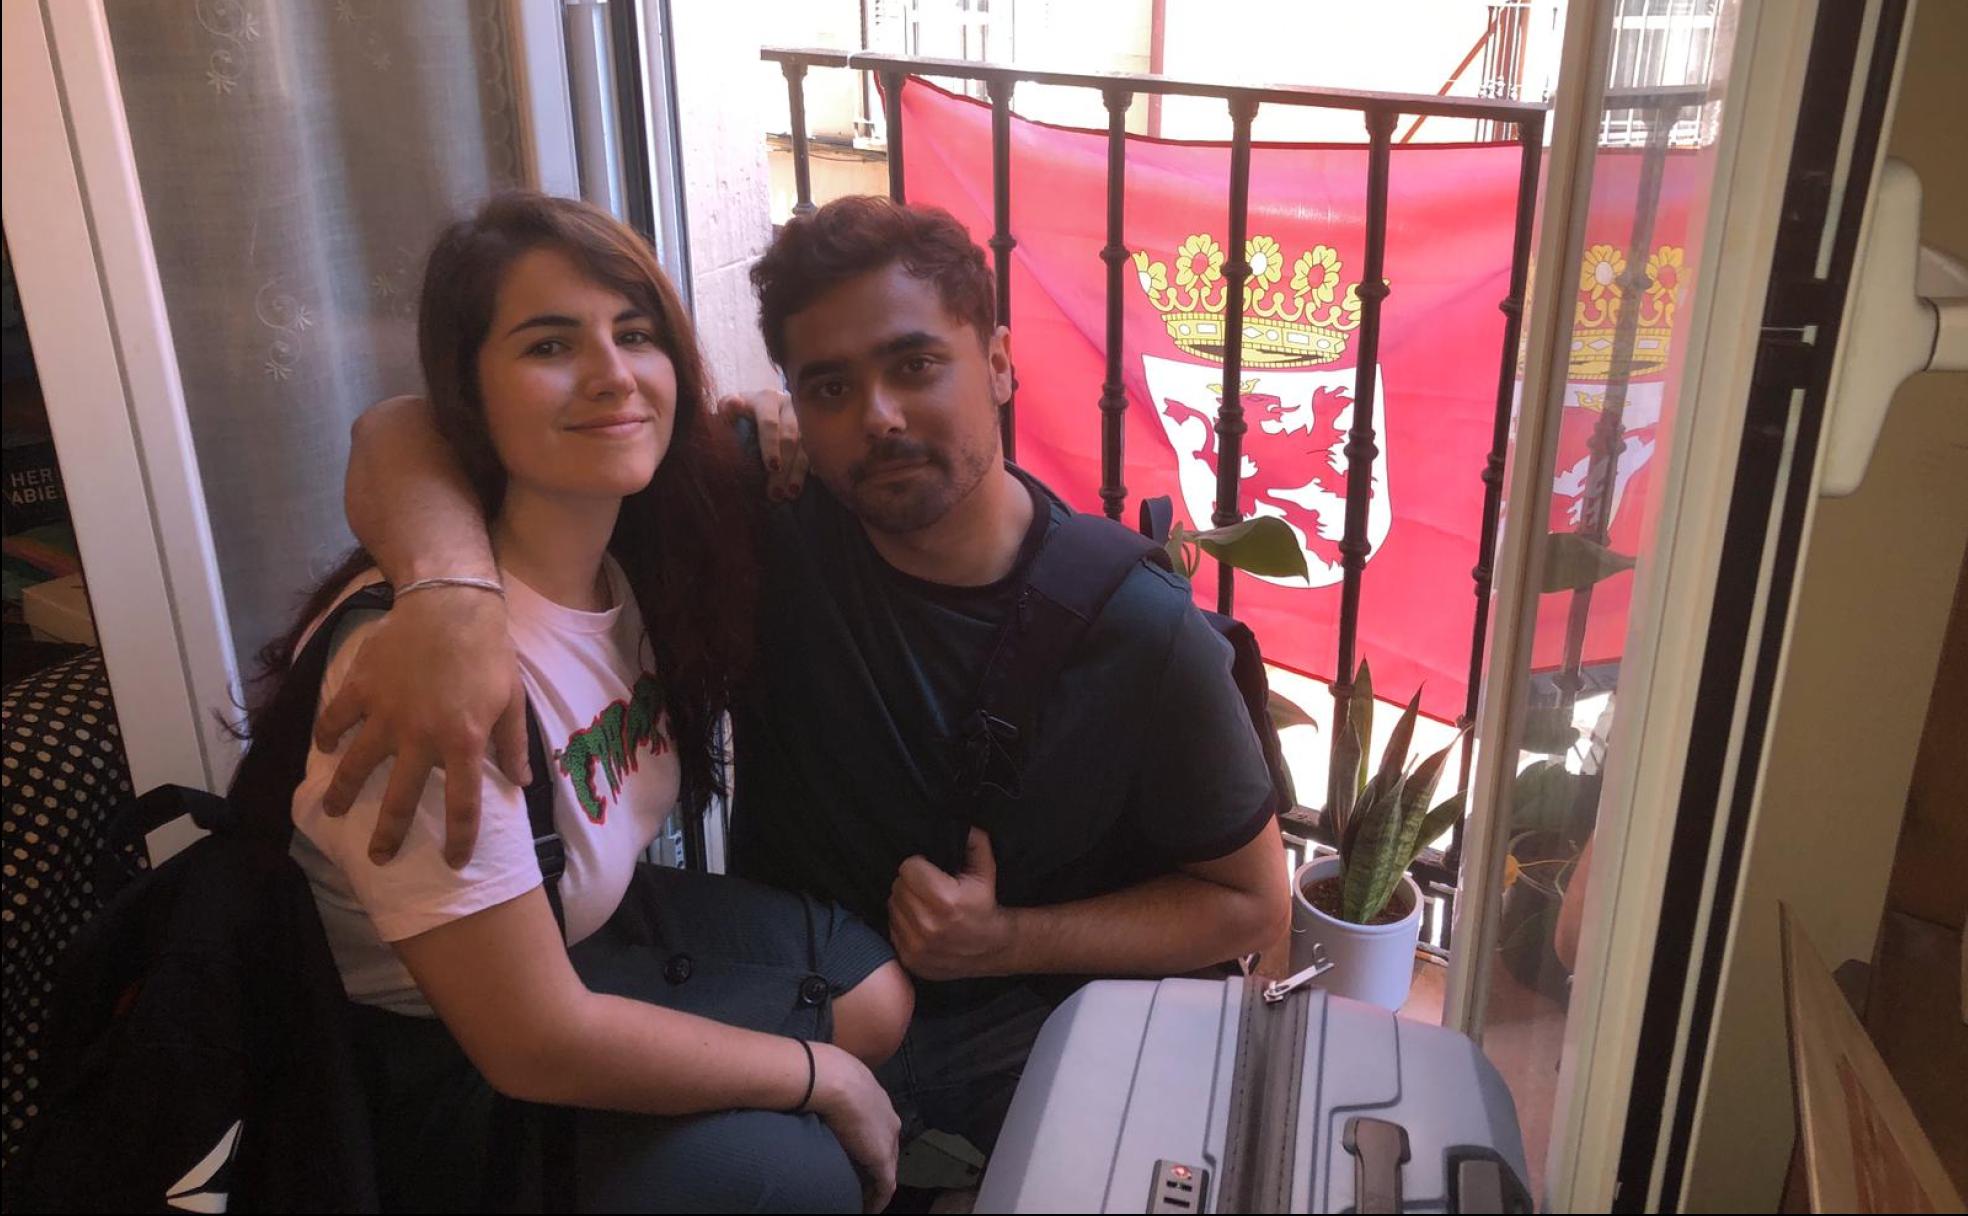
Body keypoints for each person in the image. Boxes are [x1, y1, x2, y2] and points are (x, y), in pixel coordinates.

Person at [327, 195, 1290, 1156]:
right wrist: (449, 594)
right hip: (791, 993)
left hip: (1016, 1036)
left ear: (997, 360)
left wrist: (1011, 940)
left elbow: (1251, 904)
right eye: (827, 388)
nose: (878, 418)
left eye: (916, 365)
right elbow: (403, 429)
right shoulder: (761, 510)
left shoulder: (1141, 633)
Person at [243, 193, 909, 1212]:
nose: (611, 374)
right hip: (439, 1053)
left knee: (874, 996)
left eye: (634, 334)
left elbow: (399, 429)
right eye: (550, 343)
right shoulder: (422, 672)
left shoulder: (643, 539)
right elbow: (532, 1042)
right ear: (470, 390)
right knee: (793, 1175)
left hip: (585, 937)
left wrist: (767, 412)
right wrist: (825, 1082)